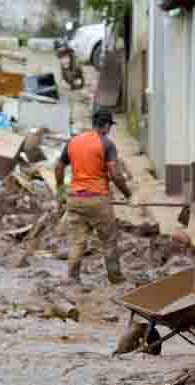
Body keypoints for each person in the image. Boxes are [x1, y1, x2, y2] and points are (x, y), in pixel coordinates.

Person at [54, 108, 133, 285]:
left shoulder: (73, 141)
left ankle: (73, 277)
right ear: (105, 126)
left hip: (75, 199)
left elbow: (58, 167)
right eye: (110, 126)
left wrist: (60, 190)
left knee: (77, 240)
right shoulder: (106, 143)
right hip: (98, 199)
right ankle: (116, 278)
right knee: (109, 240)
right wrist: (128, 194)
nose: (109, 130)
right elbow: (115, 174)